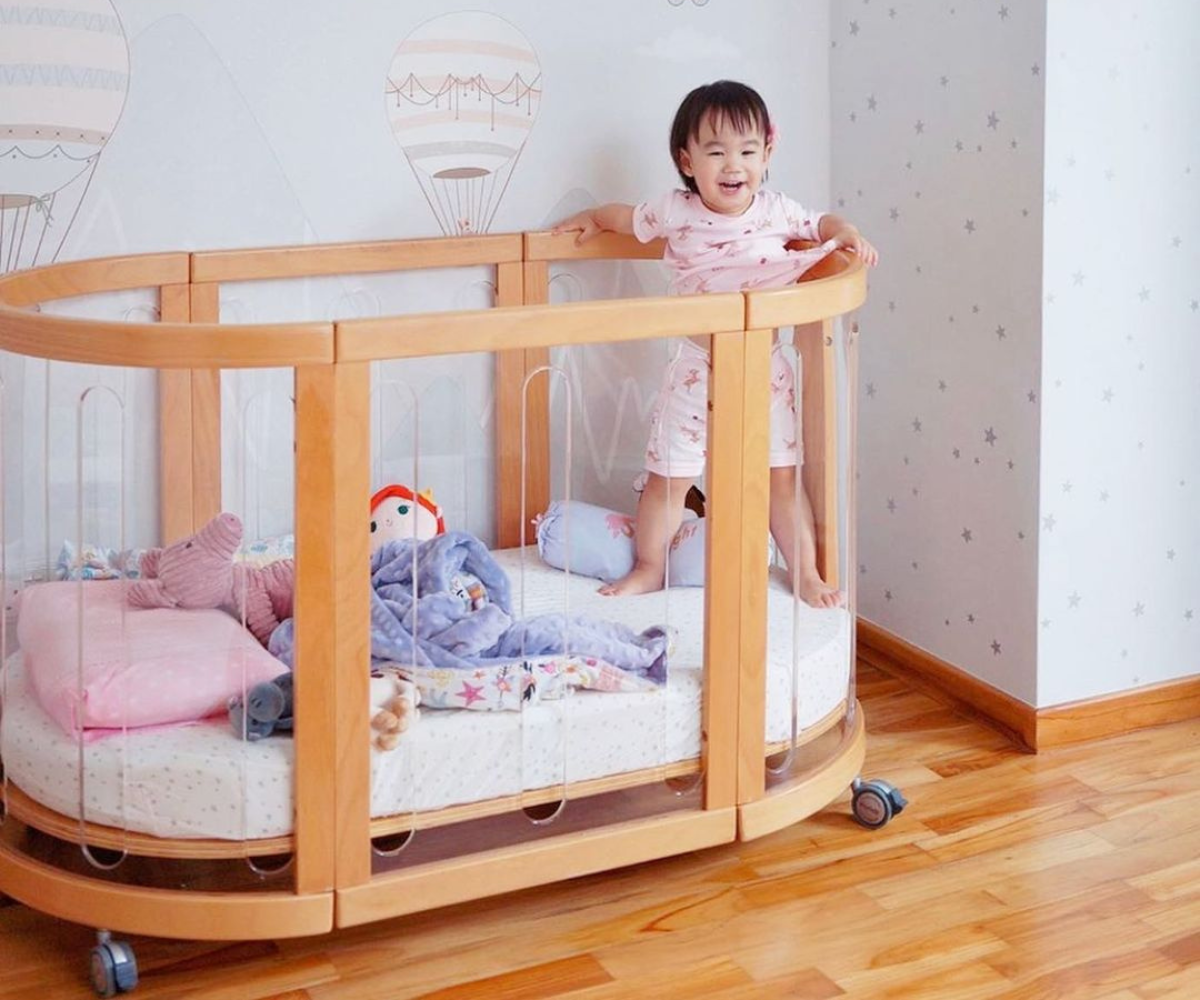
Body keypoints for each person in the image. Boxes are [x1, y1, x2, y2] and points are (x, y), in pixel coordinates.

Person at [553, 80, 878, 606]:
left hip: (765, 369)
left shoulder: (776, 212)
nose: (734, 165)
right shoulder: (675, 211)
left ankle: (807, 574)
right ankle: (649, 565)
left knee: (780, 478)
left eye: (748, 151)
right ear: (687, 161)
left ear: (767, 153)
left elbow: (823, 224)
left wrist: (849, 232)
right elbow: (626, 218)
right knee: (668, 478)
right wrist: (591, 219)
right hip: (695, 367)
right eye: (717, 152)